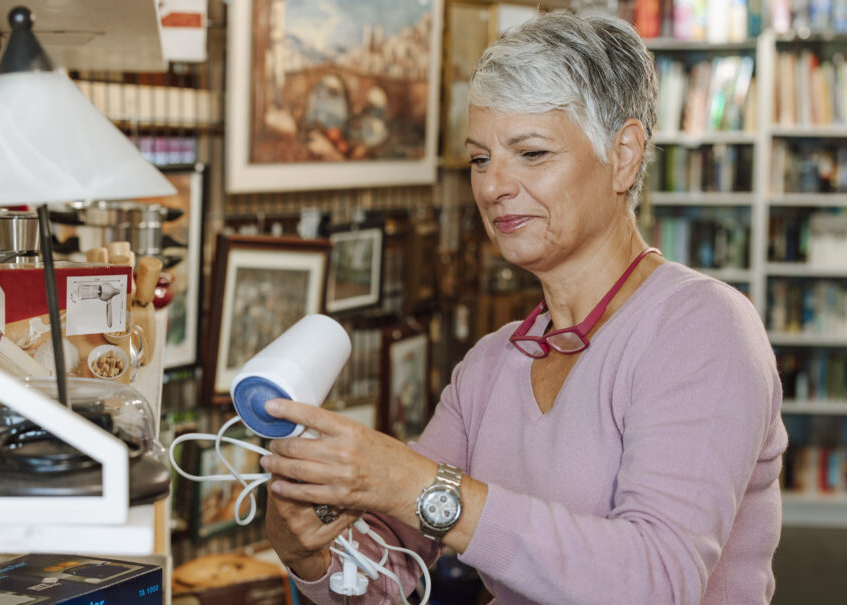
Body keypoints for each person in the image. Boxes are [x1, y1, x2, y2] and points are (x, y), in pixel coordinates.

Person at [259, 10, 788, 604]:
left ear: (624, 156)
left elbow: (658, 582)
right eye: (481, 159)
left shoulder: (703, 328)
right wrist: (310, 548)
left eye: (531, 153)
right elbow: (385, 575)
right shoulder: (489, 366)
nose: (491, 187)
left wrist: (414, 484)